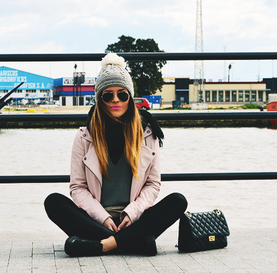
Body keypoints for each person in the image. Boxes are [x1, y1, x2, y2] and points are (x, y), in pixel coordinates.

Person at [44, 53, 188, 257]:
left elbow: (153, 185)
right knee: (53, 202)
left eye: (122, 94)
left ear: (130, 97)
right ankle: (134, 243)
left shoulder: (147, 133)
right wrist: (102, 217)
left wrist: (132, 212)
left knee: (178, 201)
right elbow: (77, 188)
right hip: (95, 220)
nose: (115, 100)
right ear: (99, 99)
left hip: (135, 219)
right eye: (107, 95)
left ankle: (103, 245)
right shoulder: (85, 136)